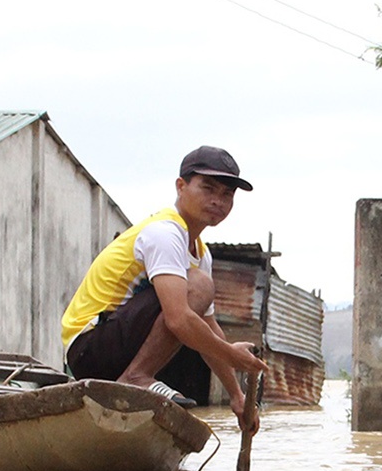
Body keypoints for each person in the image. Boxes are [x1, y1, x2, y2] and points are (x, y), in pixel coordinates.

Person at [61, 145, 269, 418]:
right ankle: (137, 377)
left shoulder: (200, 253)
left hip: (115, 348)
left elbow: (207, 326)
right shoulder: (164, 233)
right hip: (89, 347)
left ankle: (137, 376)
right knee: (198, 287)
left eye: (227, 194)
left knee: (199, 291)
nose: (218, 200)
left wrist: (237, 396)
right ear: (181, 187)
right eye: (208, 188)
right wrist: (231, 354)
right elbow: (179, 320)